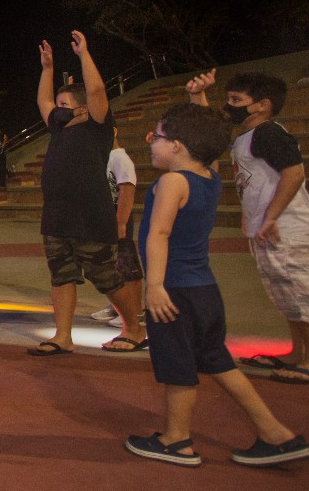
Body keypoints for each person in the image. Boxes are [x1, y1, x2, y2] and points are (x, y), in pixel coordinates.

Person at [126, 103, 309, 467]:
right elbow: (210, 143)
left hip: (175, 291)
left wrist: (155, 287)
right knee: (219, 362)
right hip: (205, 291)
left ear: (177, 145)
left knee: (178, 368)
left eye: (158, 137)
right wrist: (202, 103)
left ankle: (176, 440)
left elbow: (159, 234)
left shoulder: (172, 182)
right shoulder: (210, 177)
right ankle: (275, 433)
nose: (151, 142)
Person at [28, 30, 148, 355]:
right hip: (56, 216)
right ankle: (62, 336)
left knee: (105, 274)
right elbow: (42, 100)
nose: (57, 109)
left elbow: (95, 89)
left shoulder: (97, 125)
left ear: (82, 108)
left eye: (65, 104)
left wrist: (84, 55)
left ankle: (134, 328)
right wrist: (47, 68)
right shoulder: (58, 128)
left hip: (90, 214)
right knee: (61, 275)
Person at [188, 69, 309, 385]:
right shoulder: (246, 137)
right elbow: (210, 131)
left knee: (302, 294)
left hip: (288, 229)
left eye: (236, 100)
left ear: (262, 105)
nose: (230, 106)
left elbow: (294, 174)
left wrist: (270, 216)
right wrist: (198, 96)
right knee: (286, 296)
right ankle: (298, 352)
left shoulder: (269, 133)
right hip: (267, 229)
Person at [91, 128, 143, 327]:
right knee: (113, 264)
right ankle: (118, 306)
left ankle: (136, 312)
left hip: (118, 217)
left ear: (112, 131)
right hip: (107, 217)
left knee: (127, 263)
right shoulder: (104, 156)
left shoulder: (119, 157)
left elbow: (127, 188)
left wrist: (121, 221)